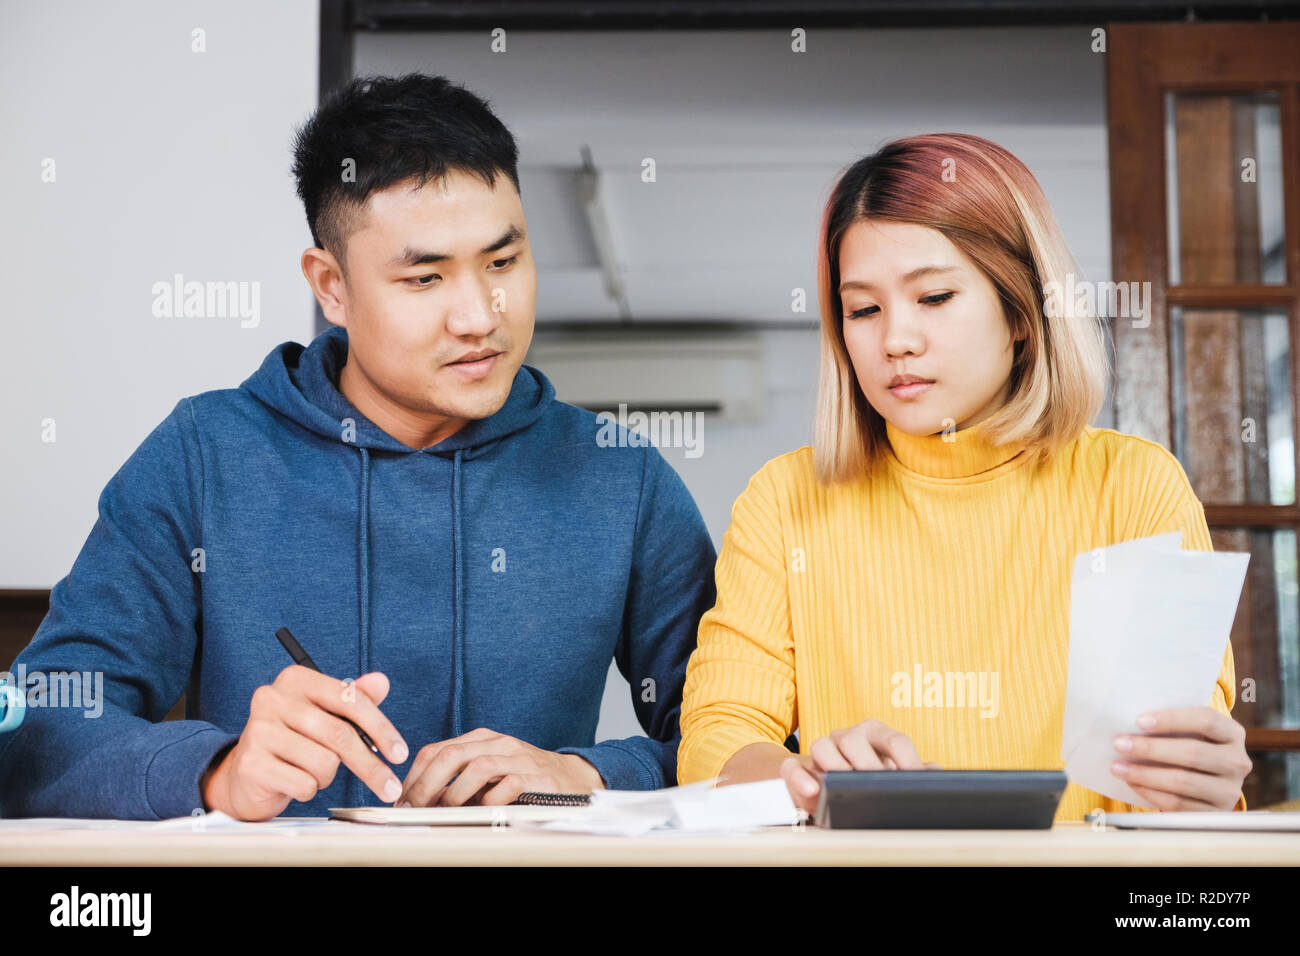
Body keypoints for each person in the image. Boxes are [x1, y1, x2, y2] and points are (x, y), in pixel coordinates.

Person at [0, 73, 716, 821]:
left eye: (502, 263)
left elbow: (746, 745)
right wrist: (217, 770)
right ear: (331, 287)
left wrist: (586, 774)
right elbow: (36, 730)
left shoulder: (619, 476)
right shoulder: (203, 457)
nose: (479, 316)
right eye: (424, 277)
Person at [677, 133, 1250, 822]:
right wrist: (804, 776)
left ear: (1020, 310)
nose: (895, 340)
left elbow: (1177, 783)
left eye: (936, 297)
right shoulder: (785, 500)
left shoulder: (1131, 487)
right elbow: (715, 741)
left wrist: (1199, 785)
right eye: (864, 310)